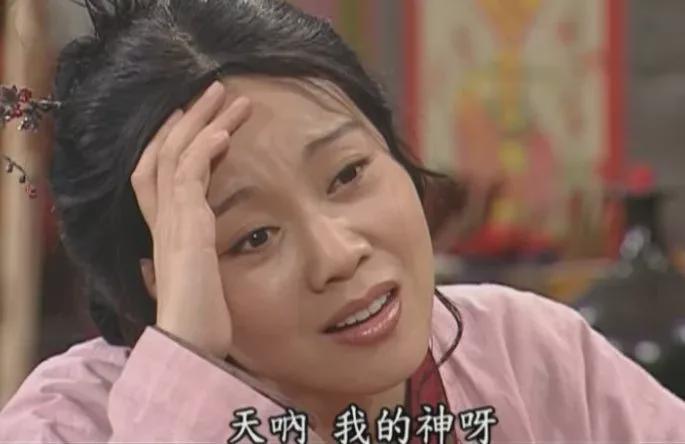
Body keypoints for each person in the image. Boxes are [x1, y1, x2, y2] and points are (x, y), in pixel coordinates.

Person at [1, 0, 685, 442]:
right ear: (161, 280)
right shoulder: (66, 423)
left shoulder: (528, 353)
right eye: (253, 237)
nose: (337, 254)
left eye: (348, 174)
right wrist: (186, 367)